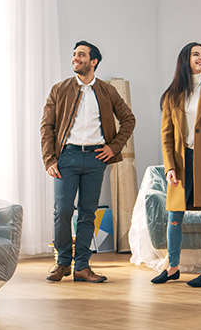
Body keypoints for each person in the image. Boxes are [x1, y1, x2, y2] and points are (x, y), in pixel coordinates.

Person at [40, 41, 136, 283]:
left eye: (81, 55)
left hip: (95, 159)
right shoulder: (59, 89)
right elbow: (46, 126)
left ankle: (82, 266)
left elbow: (128, 119)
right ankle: (62, 263)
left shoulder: (107, 91)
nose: (75, 58)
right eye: (74, 55)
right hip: (67, 157)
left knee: (87, 213)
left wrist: (113, 147)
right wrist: (49, 158)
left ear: (94, 61)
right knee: (62, 211)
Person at [152, 42, 201, 287]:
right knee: (174, 217)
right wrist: (169, 167)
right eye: (196, 54)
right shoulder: (172, 95)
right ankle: (173, 267)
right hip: (181, 162)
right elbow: (166, 135)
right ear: (184, 61)